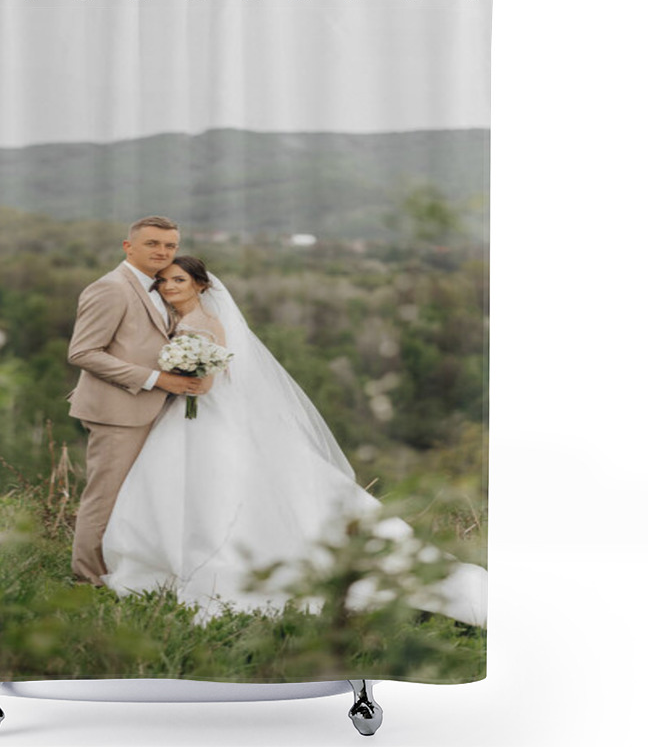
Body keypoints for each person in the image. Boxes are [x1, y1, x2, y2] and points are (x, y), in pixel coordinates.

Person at [100, 256, 488, 627]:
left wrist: (178, 374)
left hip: (205, 416)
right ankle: (167, 555)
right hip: (184, 417)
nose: (168, 286)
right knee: (174, 484)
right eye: (164, 280)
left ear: (200, 285)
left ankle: (219, 561)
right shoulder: (177, 319)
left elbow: (208, 384)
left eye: (178, 279)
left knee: (215, 488)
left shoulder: (205, 322)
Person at [66, 217, 206, 586]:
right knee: (105, 498)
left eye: (170, 246)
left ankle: (125, 567)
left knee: (137, 496)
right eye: (153, 244)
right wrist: (157, 379)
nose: (162, 251)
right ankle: (88, 578)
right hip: (117, 411)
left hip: (154, 410)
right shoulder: (111, 288)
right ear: (128, 246)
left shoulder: (157, 289)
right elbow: (83, 352)